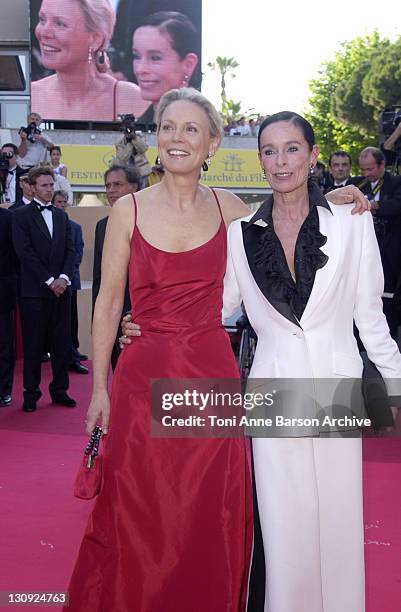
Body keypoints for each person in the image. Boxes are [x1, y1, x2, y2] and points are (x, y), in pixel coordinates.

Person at [65, 88, 254, 612]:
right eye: (168, 126)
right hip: (142, 378)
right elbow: (106, 303)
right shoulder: (127, 210)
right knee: (140, 509)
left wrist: (337, 198)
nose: (177, 138)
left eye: (191, 129)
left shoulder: (233, 209)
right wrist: (100, 388)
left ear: (212, 142)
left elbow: (291, 228)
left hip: (211, 377)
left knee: (205, 507)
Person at [220, 112, 401, 612]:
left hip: (336, 387)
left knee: (339, 524)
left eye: (292, 148)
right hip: (273, 392)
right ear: (259, 159)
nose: (281, 161)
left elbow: (372, 316)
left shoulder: (352, 223)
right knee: (283, 527)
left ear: (313, 154)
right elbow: (214, 307)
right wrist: (148, 323)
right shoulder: (239, 234)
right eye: (270, 150)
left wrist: (395, 384)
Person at [11, 166, 76, 412]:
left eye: (51, 185)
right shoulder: (21, 216)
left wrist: (63, 278)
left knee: (61, 344)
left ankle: (60, 391)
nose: (49, 189)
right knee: (34, 346)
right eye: (44, 185)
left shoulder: (62, 216)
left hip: (62, 291)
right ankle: (31, 394)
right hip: (34, 293)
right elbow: (24, 253)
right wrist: (49, 281)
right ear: (33, 187)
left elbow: (71, 251)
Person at [31, 0, 148, 121]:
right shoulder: (30, 97)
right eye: (42, 19)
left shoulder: (130, 99)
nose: (43, 32)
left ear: (95, 39)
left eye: (60, 24)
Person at [92, 163, 140, 370]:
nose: (111, 190)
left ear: (134, 187)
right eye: (108, 185)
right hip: (113, 315)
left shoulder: (150, 222)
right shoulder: (102, 225)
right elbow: (99, 277)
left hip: (143, 315)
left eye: (117, 184)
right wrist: (97, 318)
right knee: (117, 372)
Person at [354, 146, 401, 339]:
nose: (367, 173)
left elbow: (398, 204)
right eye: (363, 169)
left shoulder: (396, 182)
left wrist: (374, 205)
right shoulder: (357, 185)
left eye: (370, 169)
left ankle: (389, 340)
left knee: (388, 297)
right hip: (364, 251)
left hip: (390, 250)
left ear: (382, 165)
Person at [132, 12, 199, 125]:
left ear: (188, 64)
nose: (140, 69)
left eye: (155, 58)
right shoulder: (136, 129)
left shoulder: (204, 126)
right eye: (136, 56)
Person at [52, 190, 88, 374]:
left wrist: (65, 278)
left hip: (70, 282)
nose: (61, 205)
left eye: (64, 202)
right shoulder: (47, 225)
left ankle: (73, 354)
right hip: (49, 285)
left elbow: (77, 254)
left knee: (71, 321)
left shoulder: (75, 227)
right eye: (57, 201)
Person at [0, 207, 17, 407]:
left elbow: (15, 255)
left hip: (2, 291)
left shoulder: (7, 218)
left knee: (4, 343)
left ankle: (4, 390)